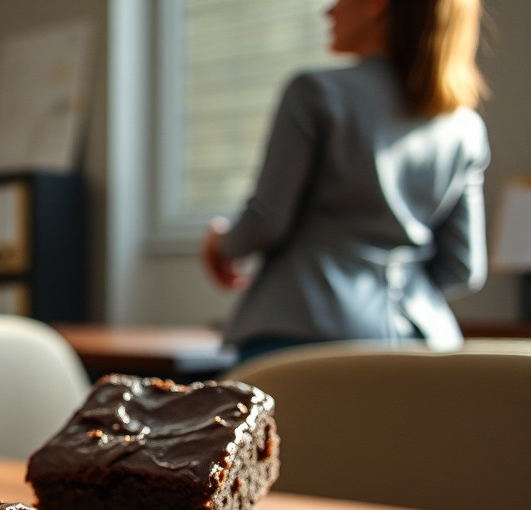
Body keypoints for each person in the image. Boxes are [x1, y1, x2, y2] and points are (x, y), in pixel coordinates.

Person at [200, 0, 489, 364]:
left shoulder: (315, 92)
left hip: (301, 337)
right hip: (422, 342)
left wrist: (219, 243)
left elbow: (264, 223)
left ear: (376, 5)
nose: (328, 11)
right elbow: (463, 268)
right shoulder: (465, 127)